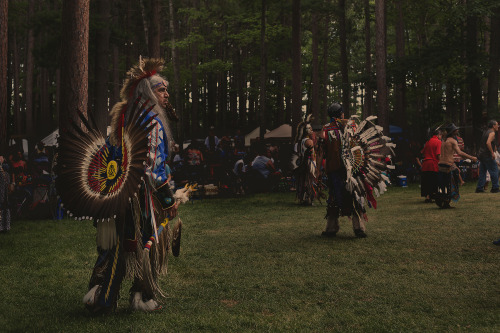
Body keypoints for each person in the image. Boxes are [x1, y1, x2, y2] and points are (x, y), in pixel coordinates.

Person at [70, 58, 182, 313]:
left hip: (118, 194)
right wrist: (168, 200)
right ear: (147, 92)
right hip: (141, 197)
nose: (167, 94)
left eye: (166, 89)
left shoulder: (126, 120)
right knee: (149, 243)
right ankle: (140, 298)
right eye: (161, 89)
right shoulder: (152, 122)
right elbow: (152, 166)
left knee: (116, 246)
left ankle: (99, 295)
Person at [435, 124, 477, 208]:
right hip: (448, 165)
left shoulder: (443, 140)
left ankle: (442, 201)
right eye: (456, 130)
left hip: (441, 165)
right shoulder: (452, 141)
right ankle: (446, 202)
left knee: (443, 184)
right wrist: (472, 157)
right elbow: (460, 152)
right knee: (450, 184)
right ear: (453, 132)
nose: (457, 131)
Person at [293, 114, 319, 205]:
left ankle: (303, 198)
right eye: (310, 129)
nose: (312, 130)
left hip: (303, 164)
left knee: (303, 181)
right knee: (309, 181)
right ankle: (308, 199)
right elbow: (312, 154)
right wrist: (315, 164)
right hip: (309, 163)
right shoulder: (309, 141)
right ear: (306, 131)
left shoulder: (300, 141)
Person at [475, 120, 499, 193]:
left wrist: (494, 149)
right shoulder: (492, 133)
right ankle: (495, 188)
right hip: (487, 155)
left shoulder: (485, 132)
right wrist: (492, 153)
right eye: (497, 125)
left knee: (482, 172)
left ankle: (479, 188)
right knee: (494, 170)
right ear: (493, 126)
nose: (498, 126)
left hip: (481, 155)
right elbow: (488, 142)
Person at [420, 128, 442, 203]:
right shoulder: (438, 142)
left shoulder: (428, 142)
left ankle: (427, 196)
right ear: (438, 135)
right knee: (434, 181)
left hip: (425, 164)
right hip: (433, 164)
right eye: (441, 135)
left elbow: (422, 152)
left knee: (427, 181)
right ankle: (435, 195)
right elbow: (438, 154)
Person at [0, 155, 11, 233]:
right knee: (5, 210)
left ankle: (2, 227)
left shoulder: (3, 175)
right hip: (5, 196)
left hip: (2, 196)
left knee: (3, 210)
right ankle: (6, 227)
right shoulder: (7, 175)